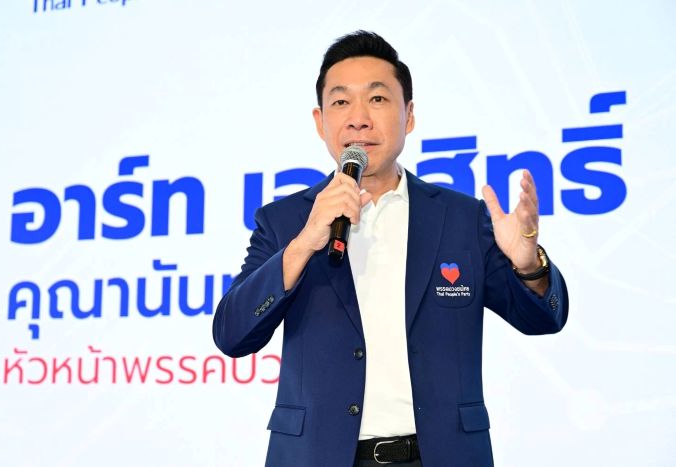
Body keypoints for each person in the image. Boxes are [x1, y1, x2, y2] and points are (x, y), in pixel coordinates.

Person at [213, 30, 568, 467]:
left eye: (377, 99)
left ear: (409, 115)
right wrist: (304, 244)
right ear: (320, 121)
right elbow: (232, 334)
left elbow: (543, 319)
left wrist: (529, 263)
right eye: (341, 102)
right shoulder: (284, 221)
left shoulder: (461, 218)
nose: (358, 119)